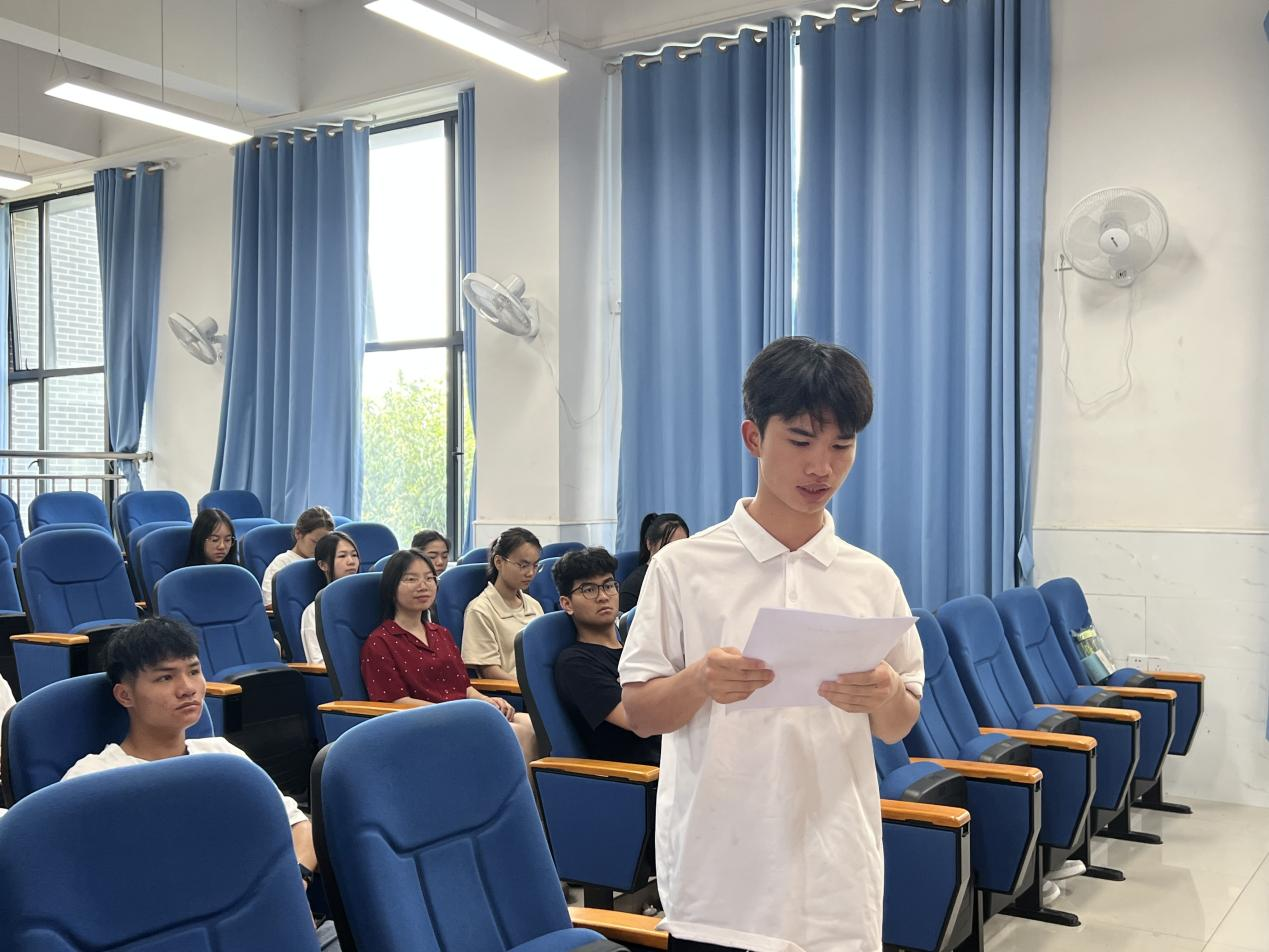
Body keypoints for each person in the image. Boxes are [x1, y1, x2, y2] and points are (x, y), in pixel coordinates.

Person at [619, 336, 925, 952]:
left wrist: (886, 691)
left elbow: (897, 725)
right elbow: (642, 714)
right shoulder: (684, 568)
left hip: (836, 880)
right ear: (753, 437)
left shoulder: (871, 578)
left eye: (841, 446)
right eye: (801, 441)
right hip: (717, 883)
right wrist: (700, 679)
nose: (822, 467)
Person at [62, 618, 320, 891]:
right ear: (125, 695)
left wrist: (296, 879)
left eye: (194, 671)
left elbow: (299, 826)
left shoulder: (223, 756)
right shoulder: (92, 779)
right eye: (165, 677)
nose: (187, 688)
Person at [360, 549, 538, 764]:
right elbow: (396, 701)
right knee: (518, 734)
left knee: (535, 726)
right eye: (411, 579)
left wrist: (487, 701)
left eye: (429, 578)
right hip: (425, 722)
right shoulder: (380, 642)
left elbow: (464, 686)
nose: (423, 586)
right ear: (391, 588)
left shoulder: (440, 633)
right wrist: (458, 712)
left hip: (463, 713)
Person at [554, 547, 660, 766]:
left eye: (609, 585)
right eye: (589, 589)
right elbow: (638, 721)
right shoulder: (575, 663)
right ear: (567, 604)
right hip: (640, 774)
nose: (603, 596)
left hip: (678, 757)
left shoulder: (635, 647)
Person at [460, 528, 545, 682]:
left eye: (535, 565)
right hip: (513, 691)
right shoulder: (480, 610)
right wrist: (533, 688)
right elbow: (490, 672)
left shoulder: (534, 605)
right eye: (523, 565)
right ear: (499, 562)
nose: (530, 573)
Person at [299, 531, 360, 665]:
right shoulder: (315, 611)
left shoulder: (368, 603)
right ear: (323, 565)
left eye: (354, 555)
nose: (351, 562)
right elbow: (318, 661)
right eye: (342, 556)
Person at [263, 507, 335, 608]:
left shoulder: (328, 562)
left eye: (325, 543)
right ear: (298, 534)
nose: (320, 548)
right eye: (315, 542)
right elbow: (270, 604)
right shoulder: (282, 563)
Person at [619, 513, 689, 613]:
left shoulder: (687, 579)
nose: (677, 552)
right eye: (669, 546)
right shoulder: (634, 587)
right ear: (650, 544)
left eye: (682, 546)